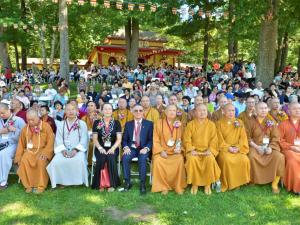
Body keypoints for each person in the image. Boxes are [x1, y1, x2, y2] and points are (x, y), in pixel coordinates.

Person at [47, 103, 89, 188]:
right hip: (64, 150)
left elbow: (84, 139)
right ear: (65, 111)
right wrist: (63, 150)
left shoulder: (82, 124)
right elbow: (58, 139)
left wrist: (75, 150)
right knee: (56, 161)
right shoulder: (61, 124)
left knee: (79, 161)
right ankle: (60, 181)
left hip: (78, 150)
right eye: (68, 110)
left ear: (77, 111)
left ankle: (77, 181)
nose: (71, 112)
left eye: (73, 109)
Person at [247, 102, 285, 194]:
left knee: (279, 157)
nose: (263, 110)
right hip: (255, 146)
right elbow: (247, 137)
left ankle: (274, 183)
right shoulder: (250, 122)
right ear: (255, 110)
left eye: (265, 108)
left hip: (269, 147)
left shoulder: (271, 121)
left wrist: (271, 148)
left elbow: (276, 137)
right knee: (251, 156)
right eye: (261, 108)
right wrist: (257, 147)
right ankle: (253, 180)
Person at [183, 104, 221, 195]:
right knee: (192, 159)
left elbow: (214, 139)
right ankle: (195, 183)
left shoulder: (211, 125)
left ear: (207, 112)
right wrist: (191, 150)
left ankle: (207, 184)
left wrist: (210, 150)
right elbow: (186, 139)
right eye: (200, 110)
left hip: (207, 151)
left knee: (210, 159)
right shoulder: (190, 124)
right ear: (195, 112)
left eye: (204, 110)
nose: (202, 112)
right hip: (194, 151)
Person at [14, 109, 54, 193]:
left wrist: (46, 153)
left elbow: (51, 141)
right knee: (24, 160)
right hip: (29, 151)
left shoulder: (46, 126)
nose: (30, 122)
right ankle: (28, 185)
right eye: (28, 120)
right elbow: (21, 144)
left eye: (33, 119)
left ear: (38, 117)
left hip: (42, 150)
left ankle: (41, 186)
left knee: (41, 161)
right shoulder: (25, 129)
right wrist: (18, 157)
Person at [152, 105, 187, 195]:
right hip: (162, 151)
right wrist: (160, 151)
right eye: (170, 110)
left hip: (175, 151)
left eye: (174, 110)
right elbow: (155, 139)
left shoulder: (179, 124)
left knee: (179, 159)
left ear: (176, 113)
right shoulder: (158, 123)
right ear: (166, 112)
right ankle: (163, 186)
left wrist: (179, 149)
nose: (172, 112)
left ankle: (177, 185)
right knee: (158, 161)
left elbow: (182, 139)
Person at [216, 104, 250, 192]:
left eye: (233, 110)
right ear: (223, 111)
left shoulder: (239, 122)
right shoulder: (219, 123)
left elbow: (243, 138)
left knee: (244, 159)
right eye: (229, 110)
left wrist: (238, 147)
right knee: (226, 160)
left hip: (237, 148)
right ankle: (229, 183)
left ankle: (240, 182)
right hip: (224, 149)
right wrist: (228, 148)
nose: (231, 113)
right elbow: (219, 139)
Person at [122, 104, 153, 195]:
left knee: (142, 159)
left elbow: (151, 139)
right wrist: (126, 147)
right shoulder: (128, 124)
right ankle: (127, 182)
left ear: (143, 112)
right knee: (125, 158)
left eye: (140, 110)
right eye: (136, 110)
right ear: (132, 112)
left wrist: (147, 148)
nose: (138, 112)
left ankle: (142, 184)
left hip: (143, 148)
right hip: (131, 148)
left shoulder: (149, 124)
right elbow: (124, 139)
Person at [92, 103, 122, 191]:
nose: (107, 111)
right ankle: (100, 184)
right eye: (105, 109)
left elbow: (119, 139)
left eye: (109, 109)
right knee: (101, 158)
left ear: (112, 111)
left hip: (113, 147)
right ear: (102, 111)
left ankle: (112, 184)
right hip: (100, 147)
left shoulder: (117, 123)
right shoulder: (97, 123)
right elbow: (95, 139)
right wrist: (100, 148)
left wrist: (113, 148)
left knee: (110, 158)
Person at [0, 103, 26, 189]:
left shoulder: (18, 120)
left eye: (3, 113)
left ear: (8, 110)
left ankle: (3, 181)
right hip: (1, 143)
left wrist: (15, 130)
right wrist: (3, 130)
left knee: (4, 154)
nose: (1, 115)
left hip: (14, 144)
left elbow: (25, 136)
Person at [278, 103, 300, 194]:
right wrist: (292, 147)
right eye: (294, 109)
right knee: (292, 159)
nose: (298, 110)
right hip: (288, 150)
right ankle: (296, 187)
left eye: (299, 108)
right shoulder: (283, 124)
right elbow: (279, 140)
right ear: (289, 111)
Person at [81, 101, 100, 165]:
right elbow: (82, 130)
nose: (89, 107)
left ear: (95, 107)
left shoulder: (100, 117)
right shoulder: (83, 118)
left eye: (91, 106)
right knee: (90, 144)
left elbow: (102, 129)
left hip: (98, 137)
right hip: (87, 137)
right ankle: (89, 162)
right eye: (88, 106)